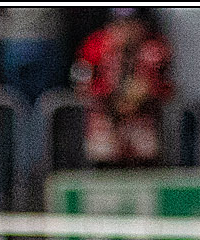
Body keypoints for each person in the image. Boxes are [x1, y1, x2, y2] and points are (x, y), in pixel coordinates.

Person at [71, 8, 173, 167]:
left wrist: (146, 92)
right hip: (106, 122)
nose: (125, 29)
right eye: (120, 24)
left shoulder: (155, 49)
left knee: (144, 163)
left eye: (131, 23)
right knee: (104, 164)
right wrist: (111, 96)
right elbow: (82, 86)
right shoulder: (94, 46)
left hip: (142, 124)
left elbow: (167, 88)